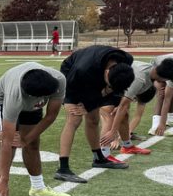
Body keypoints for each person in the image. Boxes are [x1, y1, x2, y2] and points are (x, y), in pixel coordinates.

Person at [0, 62, 68, 196]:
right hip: (2, 100)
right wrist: (4, 179)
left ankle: (38, 187)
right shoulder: (14, 96)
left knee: (33, 144)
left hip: (30, 99)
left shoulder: (58, 80)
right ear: (31, 96)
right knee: (8, 147)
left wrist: (26, 139)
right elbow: (6, 142)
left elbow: (51, 116)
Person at [54, 44, 135, 183]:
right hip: (71, 76)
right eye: (109, 86)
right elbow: (70, 87)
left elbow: (110, 90)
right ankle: (63, 169)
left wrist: (94, 102)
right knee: (74, 119)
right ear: (107, 72)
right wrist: (86, 104)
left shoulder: (127, 60)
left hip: (95, 72)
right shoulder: (82, 70)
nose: (109, 89)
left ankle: (98, 158)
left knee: (93, 119)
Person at [99, 56, 173, 155]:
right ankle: (104, 156)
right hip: (105, 82)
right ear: (164, 78)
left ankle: (127, 147)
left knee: (123, 115)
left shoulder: (150, 71)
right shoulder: (139, 79)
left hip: (115, 82)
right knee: (109, 112)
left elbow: (123, 106)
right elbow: (123, 106)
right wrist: (113, 132)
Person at [146, 53, 173, 136]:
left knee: (170, 93)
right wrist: (161, 123)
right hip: (158, 66)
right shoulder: (161, 65)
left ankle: (170, 117)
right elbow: (167, 100)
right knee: (162, 93)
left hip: (168, 68)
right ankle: (155, 125)